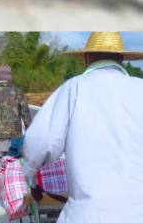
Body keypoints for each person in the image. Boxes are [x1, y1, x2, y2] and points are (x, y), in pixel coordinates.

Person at [23, 32, 143, 222]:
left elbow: (41, 142)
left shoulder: (74, 88)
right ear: (120, 58)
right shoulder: (140, 88)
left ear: (86, 58)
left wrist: (29, 171)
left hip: (89, 213)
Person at [0, 65, 32, 174]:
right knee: (13, 158)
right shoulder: (17, 91)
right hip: (15, 133)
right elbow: (25, 112)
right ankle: (10, 180)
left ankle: (0, 179)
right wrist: (29, 128)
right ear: (10, 76)